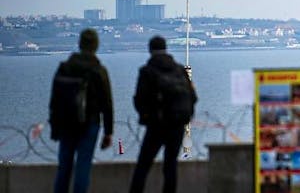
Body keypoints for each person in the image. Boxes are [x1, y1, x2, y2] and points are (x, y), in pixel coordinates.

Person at [128, 36, 197, 193]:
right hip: (178, 124)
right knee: (170, 165)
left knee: (143, 165)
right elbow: (193, 97)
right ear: (166, 48)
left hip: (156, 125)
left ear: (150, 50)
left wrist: (146, 117)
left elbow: (139, 99)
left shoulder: (147, 71)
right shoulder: (179, 70)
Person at [49, 28, 114, 193]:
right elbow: (107, 104)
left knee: (64, 167)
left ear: (80, 44)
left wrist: (55, 126)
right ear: (96, 46)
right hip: (90, 124)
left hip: (66, 123)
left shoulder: (64, 68)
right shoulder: (99, 70)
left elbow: (54, 100)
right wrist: (108, 132)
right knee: (83, 167)